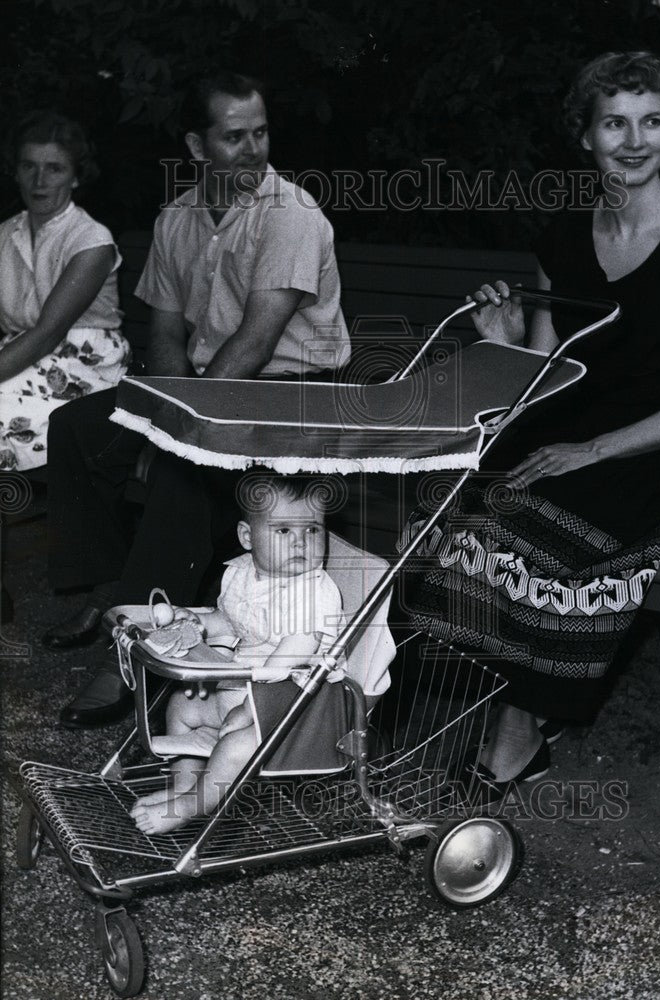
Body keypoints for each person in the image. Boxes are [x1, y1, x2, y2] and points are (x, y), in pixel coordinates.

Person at [400, 51, 660, 795]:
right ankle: (484, 707)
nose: (635, 140)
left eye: (651, 121)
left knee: (532, 537)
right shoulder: (562, 238)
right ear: (585, 136)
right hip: (577, 432)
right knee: (467, 511)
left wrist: (592, 450)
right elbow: (548, 372)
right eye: (614, 122)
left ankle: (518, 734)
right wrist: (503, 339)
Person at [44, 71, 350, 728]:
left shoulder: (291, 215)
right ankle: (113, 588)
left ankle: (132, 655)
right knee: (76, 427)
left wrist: (176, 429)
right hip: (208, 389)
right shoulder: (178, 218)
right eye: (234, 136)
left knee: (182, 471)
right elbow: (165, 333)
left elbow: (256, 341)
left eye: (260, 132)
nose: (253, 149)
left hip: (292, 395)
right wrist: (167, 411)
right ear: (195, 145)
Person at [131, 474, 346, 835]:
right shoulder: (241, 573)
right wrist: (201, 626)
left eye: (312, 530)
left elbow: (291, 655)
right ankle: (184, 787)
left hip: (294, 706)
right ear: (247, 537)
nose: (300, 542)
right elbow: (230, 622)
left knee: (235, 749)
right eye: (283, 531)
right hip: (240, 685)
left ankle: (194, 805)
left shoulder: (314, 592)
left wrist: (248, 708)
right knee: (181, 707)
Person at [0, 112, 130, 470]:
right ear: (15, 171)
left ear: (75, 176)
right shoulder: (5, 234)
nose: (39, 180)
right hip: (20, 355)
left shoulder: (91, 239)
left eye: (54, 168)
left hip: (82, 367)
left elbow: (48, 333)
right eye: (28, 166)